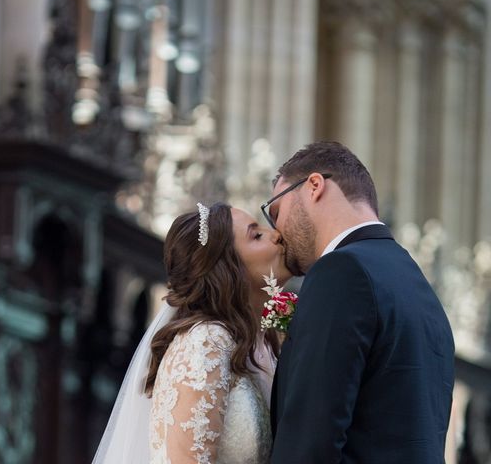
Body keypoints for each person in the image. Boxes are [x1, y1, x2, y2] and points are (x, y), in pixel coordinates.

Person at [262, 141, 455, 463]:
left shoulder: (342, 272)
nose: (277, 234)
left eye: (277, 213)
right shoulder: (416, 284)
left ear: (314, 186)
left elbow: (310, 440)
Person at [93, 202, 292, 463]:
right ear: (227, 267)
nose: (275, 234)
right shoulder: (206, 342)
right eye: (256, 235)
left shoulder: (260, 341)